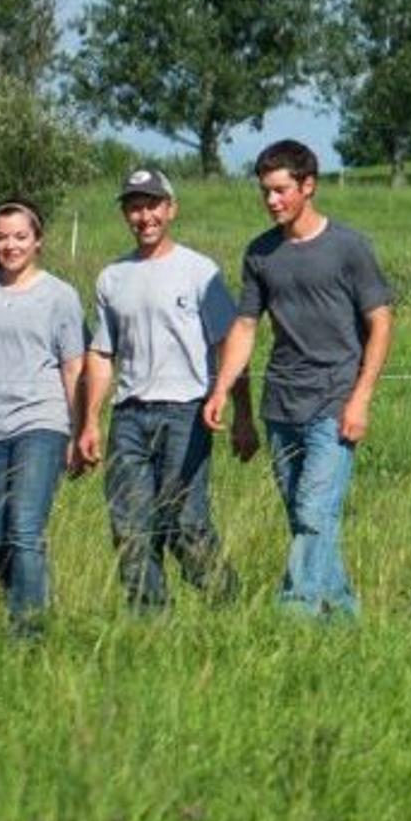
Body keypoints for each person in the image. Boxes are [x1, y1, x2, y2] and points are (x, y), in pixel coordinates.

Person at [201, 139, 394, 620]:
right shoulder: (260, 254)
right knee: (306, 519)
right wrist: (223, 389)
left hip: (333, 401)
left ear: (308, 186)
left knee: (313, 512)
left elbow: (382, 322)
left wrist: (360, 398)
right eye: (265, 191)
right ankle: (342, 616)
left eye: (281, 190)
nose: (271, 201)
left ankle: (295, 616)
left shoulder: (349, 248)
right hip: (281, 405)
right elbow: (245, 327)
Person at [81, 166, 248, 615]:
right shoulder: (112, 277)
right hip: (129, 415)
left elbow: (231, 341)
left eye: (152, 204)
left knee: (184, 523)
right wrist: (90, 421)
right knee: (130, 528)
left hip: (186, 413)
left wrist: (240, 412)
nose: (144, 216)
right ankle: (150, 623)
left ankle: (229, 608)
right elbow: (101, 355)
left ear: (171, 209)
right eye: (134, 207)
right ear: (125, 215)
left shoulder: (198, 271)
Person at [0, 199, 86, 635]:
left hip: (42, 424)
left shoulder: (60, 296)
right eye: (2, 237)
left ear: (37, 241)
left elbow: (73, 366)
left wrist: (79, 431)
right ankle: (34, 597)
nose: (10, 245)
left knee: (24, 529)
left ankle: (28, 633)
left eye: (20, 236)